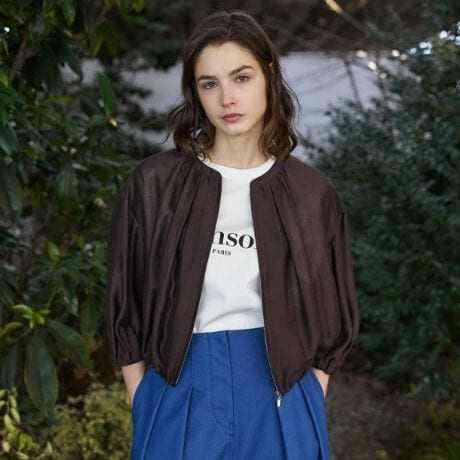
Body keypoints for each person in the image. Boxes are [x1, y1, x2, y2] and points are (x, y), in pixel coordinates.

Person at [104, 8, 360, 460]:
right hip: (178, 389)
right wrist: (142, 397)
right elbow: (126, 297)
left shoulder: (311, 194)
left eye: (241, 77)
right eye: (210, 83)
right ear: (196, 92)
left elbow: (331, 312)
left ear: (270, 76)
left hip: (282, 394)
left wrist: (306, 400)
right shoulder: (156, 185)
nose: (227, 98)